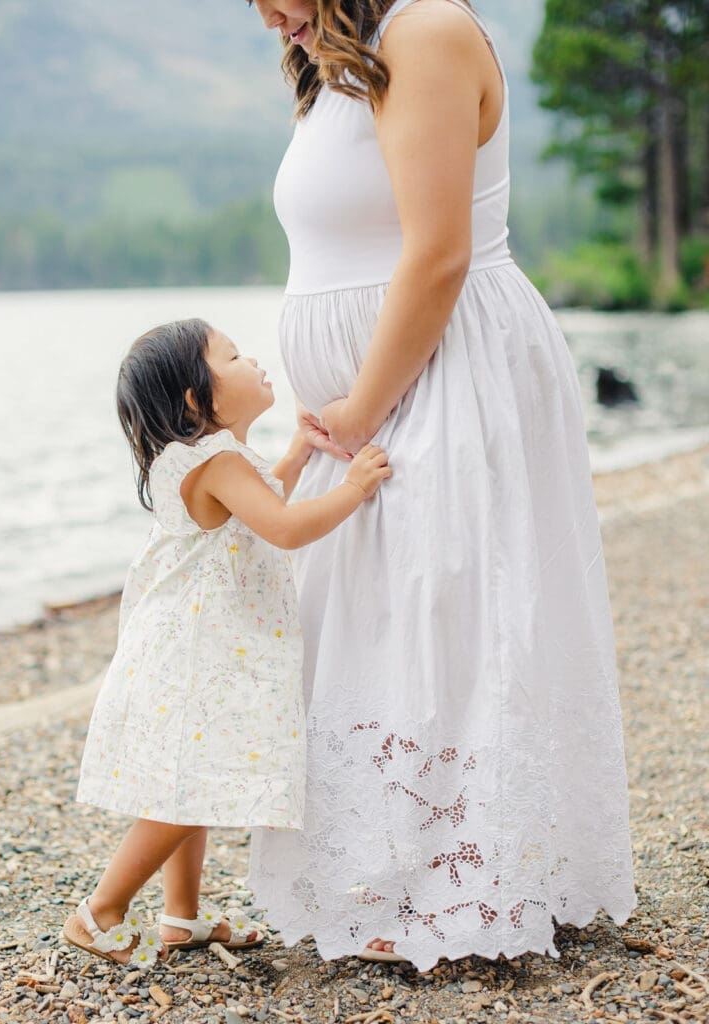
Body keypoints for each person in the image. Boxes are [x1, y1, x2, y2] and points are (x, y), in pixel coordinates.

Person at [245, 0, 637, 970]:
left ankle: (470, 885)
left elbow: (437, 252)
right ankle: (392, 874)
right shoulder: (342, 58)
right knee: (388, 618)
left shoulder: (425, 30)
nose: (264, 15)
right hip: (379, 395)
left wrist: (365, 403)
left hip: (443, 369)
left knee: (447, 610)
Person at [62, 318, 391, 967]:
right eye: (233, 356)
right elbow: (286, 528)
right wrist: (354, 488)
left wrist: (300, 450)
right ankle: (99, 911)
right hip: (201, 655)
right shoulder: (216, 462)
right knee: (193, 788)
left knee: (191, 782)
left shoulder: (203, 463)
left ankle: (181, 917)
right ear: (196, 401)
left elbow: (259, 502)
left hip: (185, 646)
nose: (255, 361)